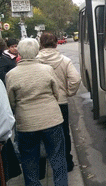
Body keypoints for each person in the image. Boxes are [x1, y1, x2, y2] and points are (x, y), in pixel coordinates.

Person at [6, 38, 68, 186]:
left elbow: (11, 101)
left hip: (27, 123)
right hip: (51, 119)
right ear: (36, 51)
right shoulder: (47, 69)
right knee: (57, 158)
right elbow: (56, 93)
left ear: (19, 52)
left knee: (29, 161)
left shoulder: (12, 75)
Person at [37, 32, 81, 172]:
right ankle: (66, 162)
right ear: (56, 43)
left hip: (42, 103)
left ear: (41, 44)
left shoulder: (36, 61)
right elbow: (75, 79)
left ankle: (47, 161)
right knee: (63, 133)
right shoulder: (64, 60)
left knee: (43, 133)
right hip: (61, 102)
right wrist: (69, 92)